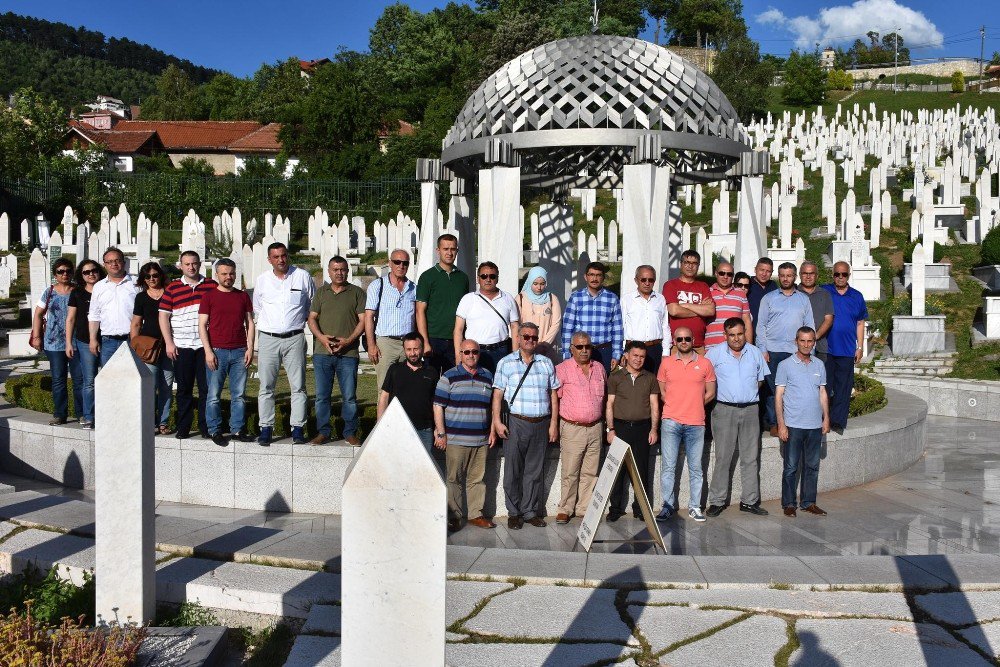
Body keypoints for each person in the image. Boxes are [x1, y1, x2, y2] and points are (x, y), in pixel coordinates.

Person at [492, 322, 560, 529]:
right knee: (512, 470)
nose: (530, 340)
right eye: (526, 337)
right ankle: (514, 512)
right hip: (516, 422)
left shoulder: (546, 363)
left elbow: (554, 395)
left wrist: (553, 424)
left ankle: (530, 511)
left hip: (541, 423)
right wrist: (496, 421)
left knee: (534, 470)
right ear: (519, 338)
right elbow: (497, 395)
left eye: (534, 337)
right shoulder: (506, 363)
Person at [705, 318, 770, 518]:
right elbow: (706, 380)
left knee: (750, 457)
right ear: (725, 335)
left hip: (751, 409)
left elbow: (760, 381)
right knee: (723, 457)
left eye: (739, 334)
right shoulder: (714, 354)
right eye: (731, 335)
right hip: (724, 410)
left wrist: (745, 395)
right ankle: (717, 501)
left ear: (744, 333)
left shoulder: (755, 352)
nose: (736, 338)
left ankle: (749, 501)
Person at [253, 242, 316, 446]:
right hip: (269, 338)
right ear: (269, 259)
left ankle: (297, 428)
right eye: (276, 257)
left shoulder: (302, 277)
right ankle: (266, 428)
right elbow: (258, 308)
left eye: (283, 255)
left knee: (298, 386)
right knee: (266, 386)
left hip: (295, 337)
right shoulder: (262, 280)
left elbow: (310, 305)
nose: (281, 260)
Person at [433, 339, 496, 532]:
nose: (471, 355)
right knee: (454, 479)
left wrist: (492, 431)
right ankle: (454, 516)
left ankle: (476, 514)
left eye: (475, 352)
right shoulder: (449, 377)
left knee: (477, 479)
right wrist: (441, 433)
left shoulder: (487, 376)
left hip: (480, 439)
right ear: (460, 354)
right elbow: (438, 406)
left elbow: (493, 407)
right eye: (466, 352)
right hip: (456, 439)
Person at [656, 326, 716, 523]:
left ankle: (695, 506)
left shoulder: (705, 363)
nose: (683, 342)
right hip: (671, 421)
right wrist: (675, 405)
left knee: (696, 468)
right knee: (668, 467)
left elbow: (711, 393)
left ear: (693, 341)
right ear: (674, 341)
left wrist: (695, 404)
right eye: (679, 339)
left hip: (696, 423)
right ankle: (667, 505)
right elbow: (662, 391)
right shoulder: (666, 363)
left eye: (687, 338)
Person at [308, 256, 366, 446]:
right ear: (329, 271)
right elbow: (312, 318)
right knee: (322, 396)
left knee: (349, 397)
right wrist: (322, 338)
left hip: (348, 354)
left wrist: (349, 341)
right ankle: (323, 431)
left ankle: (349, 432)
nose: (339, 273)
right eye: (335, 269)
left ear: (347, 271)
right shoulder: (321, 293)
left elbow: (363, 320)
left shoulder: (356, 292)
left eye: (342, 269)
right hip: (323, 353)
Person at [160, 251, 218, 440]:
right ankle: (183, 427)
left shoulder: (211, 286)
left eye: (194, 263)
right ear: (181, 266)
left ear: (200, 264)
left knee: (206, 389)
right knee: (184, 389)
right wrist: (169, 343)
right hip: (182, 346)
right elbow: (164, 317)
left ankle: (205, 426)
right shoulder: (173, 288)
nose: (191, 267)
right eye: (187, 264)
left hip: (205, 346)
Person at [199, 258, 255, 446]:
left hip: (239, 351)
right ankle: (214, 430)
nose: (228, 277)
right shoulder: (209, 296)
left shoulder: (242, 296)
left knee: (238, 395)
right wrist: (208, 351)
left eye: (231, 273)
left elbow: (250, 323)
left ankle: (237, 429)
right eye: (224, 273)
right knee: (214, 395)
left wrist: (250, 348)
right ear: (217, 275)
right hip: (217, 351)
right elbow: (202, 325)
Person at [775, 327, 830, 517]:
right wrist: (781, 423)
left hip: (815, 426)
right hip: (793, 425)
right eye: (802, 341)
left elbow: (822, 393)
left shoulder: (819, 365)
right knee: (791, 467)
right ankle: (789, 504)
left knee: (812, 466)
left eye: (810, 341)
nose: (806, 345)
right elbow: (778, 396)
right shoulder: (785, 365)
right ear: (796, 341)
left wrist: (826, 418)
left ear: (814, 342)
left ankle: (809, 502)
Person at [554, 331, 606, 525]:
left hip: (595, 428)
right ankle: (565, 508)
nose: (584, 350)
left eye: (588, 347)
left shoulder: (599, 368)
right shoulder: (562, 369)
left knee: (590, 472)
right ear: (571, 349)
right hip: (572, 427)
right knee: (570, 471)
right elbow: (554, 399)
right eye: (579, 347)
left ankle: (584, 508)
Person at [756, 262, 814, 437]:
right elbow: (761, 326)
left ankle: (791, 421)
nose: (786, 278)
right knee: (774, 390)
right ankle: (774, 423)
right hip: (773, 351)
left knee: (793, 389)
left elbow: (809, 325)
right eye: (782, 275)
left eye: (789, 275)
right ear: (778, 276)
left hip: (795, 352)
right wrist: (762, 350)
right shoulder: (769, 298)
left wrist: (809, 350)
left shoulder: (803, 299)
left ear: (794, 277)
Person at [606, 341, 660, 521]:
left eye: (642, 356)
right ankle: (615, 509)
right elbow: (610, 404)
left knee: (641, 471)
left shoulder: (650, 378)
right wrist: (610, 429)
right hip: (620, 428)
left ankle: (641, 508)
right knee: (618, 471)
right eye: (635, 355)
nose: (638, 360)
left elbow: (654, 405)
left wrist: (653, 429)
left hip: (642, 428)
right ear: (627, 355)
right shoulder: (615, 377)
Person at [30, 258, 81, 426]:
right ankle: (60, 414)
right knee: (58, 379)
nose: (64, 274)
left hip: (75, 341)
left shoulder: (78, 291)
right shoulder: (49, 292)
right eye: (60, 271)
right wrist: (37, 336)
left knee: (78, 379)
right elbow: (38, 314)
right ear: (55, 274)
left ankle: (82, 413)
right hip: (53, 342)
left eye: (67, 271)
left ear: (72, 273)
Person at [822, 261, 870, 433]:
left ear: (849, 275)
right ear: (832, 274)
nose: (840, 277)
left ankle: (838, 421)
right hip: (826, 349)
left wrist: (860, 347)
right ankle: (823, 417)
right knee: (825, 386)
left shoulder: (857, 296)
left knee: (843, 387)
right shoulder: (825, 291)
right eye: (837, 274)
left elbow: (860, 322)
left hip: (847, 350)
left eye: (844, 274)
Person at [130, 262, 174, 435]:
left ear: (160, 275)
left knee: (166, 386)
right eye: (147, 276)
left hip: (169, 345)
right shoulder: (141, 298)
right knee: (149, 386)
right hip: (148, 347)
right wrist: (135, 346)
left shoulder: (170, 294)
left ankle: (163, 422)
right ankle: (148, 422)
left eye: (155, 275)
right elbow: (135, 323)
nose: (152, 279)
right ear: (143, 278)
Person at [416, 234, 469, 375]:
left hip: (455, 339)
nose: (449, 253)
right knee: (430, 382)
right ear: (438, 250)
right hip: (433, 338)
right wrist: (425, 342)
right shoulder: (427, 277)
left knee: (452, 381)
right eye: (445, 248)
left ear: (457, 251)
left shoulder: (463, 278)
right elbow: (420, 311)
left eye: (453, 249)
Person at [365, 249, 417, 392]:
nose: (401, 266)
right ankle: (383, 415)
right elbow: (369, 316)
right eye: (397, 262)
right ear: (390, 263)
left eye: (405, 263)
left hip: (407, 343)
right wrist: (371, 345)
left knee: (406, 388)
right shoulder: (377, 286)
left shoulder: (413, 288)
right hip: (385, 343)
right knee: (384, 389)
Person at [377, 332, 439, 451]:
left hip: (424, 430)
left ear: (422, 348)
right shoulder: (394, 370)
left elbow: (436, 403)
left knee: (423, 469)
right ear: (404, 350)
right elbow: (384, 398)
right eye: (408, 349)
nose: (412, 353)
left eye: (416, 349)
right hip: (397, 429)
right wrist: (379, 427)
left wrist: (438, 429)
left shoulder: (432, 372)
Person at [454, 262, 519, 374]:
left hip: (501, 351)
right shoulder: (467, 299)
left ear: (497, 279)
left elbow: (515, 326)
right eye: (484, 276)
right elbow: (458, 329)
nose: (488, 279)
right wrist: (458, 355)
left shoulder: (508, 298)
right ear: (478, 278)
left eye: (492, 276)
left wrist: (515, 353)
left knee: (500, 388)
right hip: (474, 353)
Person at [65, 259, 106, 429]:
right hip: (83, 340)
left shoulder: (106, 288)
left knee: (109, 379)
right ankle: (89, 416)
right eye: (86, 272)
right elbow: (71, 319)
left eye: (93, 270)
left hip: (107, 340)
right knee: (89, 381)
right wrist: (68, 342)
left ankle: (107, 415)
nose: (91, 274)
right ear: (81, 275)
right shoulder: (77, 293)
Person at [562, 261, 623, 375]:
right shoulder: (576, 297)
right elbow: (567, 328)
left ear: (603, 277)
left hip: (604, 350)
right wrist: (566, 354)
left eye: (598, 275)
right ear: (585, 277)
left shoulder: (612, 298)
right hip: (581, 350)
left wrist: (616, 354)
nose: (595, 278)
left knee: (603, 385)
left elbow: (617, 329)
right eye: (591, 275)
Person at [88, 247, 139, 366]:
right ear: (104, 265)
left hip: (132, 339)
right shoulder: (99, 287)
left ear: (124, 262)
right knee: (109, 380)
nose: (114, 264)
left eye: (117, 260)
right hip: (108, 342)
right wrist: (93, 339)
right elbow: (94, 315)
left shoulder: (136, 284)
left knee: (131, 380)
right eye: (109, 262)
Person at [662, 250, 715, 354]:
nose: (690, 266)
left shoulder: (703, 286)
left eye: (694, 263)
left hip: (698, 345)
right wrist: (699, 310)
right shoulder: (670, 285)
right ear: (681, 264)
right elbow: (674, 311)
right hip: (676, 345)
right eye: (687, 262)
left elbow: (710, 310)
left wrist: (685, 305)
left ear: (698, 266)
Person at [621, 265, 669, 374]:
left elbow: (665, 326)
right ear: (636, 280)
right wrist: (623, 352)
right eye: (643, 280)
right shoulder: (626, 299)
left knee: (654, 385)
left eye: (651, 280)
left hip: (654, 348)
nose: (647, 283)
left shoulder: (660, 299)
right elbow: (621, 326)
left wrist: (665, 352)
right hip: (633, 349)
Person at [515, 266, 561, 364]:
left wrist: (544, 344)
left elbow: (556, 323)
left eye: (542, 284)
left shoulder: (552, 298)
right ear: (530, 281)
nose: (539, 287)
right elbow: (516, 323)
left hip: (548, 348)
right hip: (526, 346)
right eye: (535, 283)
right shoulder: (520, 298)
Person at [705, 261, 753, 348]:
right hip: (711, 348)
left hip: (736, 347)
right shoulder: (707, 292)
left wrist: (749, 347)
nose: (725, 277)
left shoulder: (741, 294)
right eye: (722, 273)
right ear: (716, 273)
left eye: (729, 274)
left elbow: (747, 321)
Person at [797, 261, 834, 361]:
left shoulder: (825, 294)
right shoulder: (794, 293)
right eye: (805, 273)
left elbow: (829, 319)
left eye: (811, 273)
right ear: (800, 275)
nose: (808, 277)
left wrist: (814, 337)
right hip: (796, 347)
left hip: (820, 347)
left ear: (817, 276)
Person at [747, 257, 777, 324]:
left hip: (770, 330)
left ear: (772, 273)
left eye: (768, 271)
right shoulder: (747, 285)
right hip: (751, 330)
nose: (764, 274)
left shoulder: (773, 286)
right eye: (762, 270)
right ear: (755, 269)